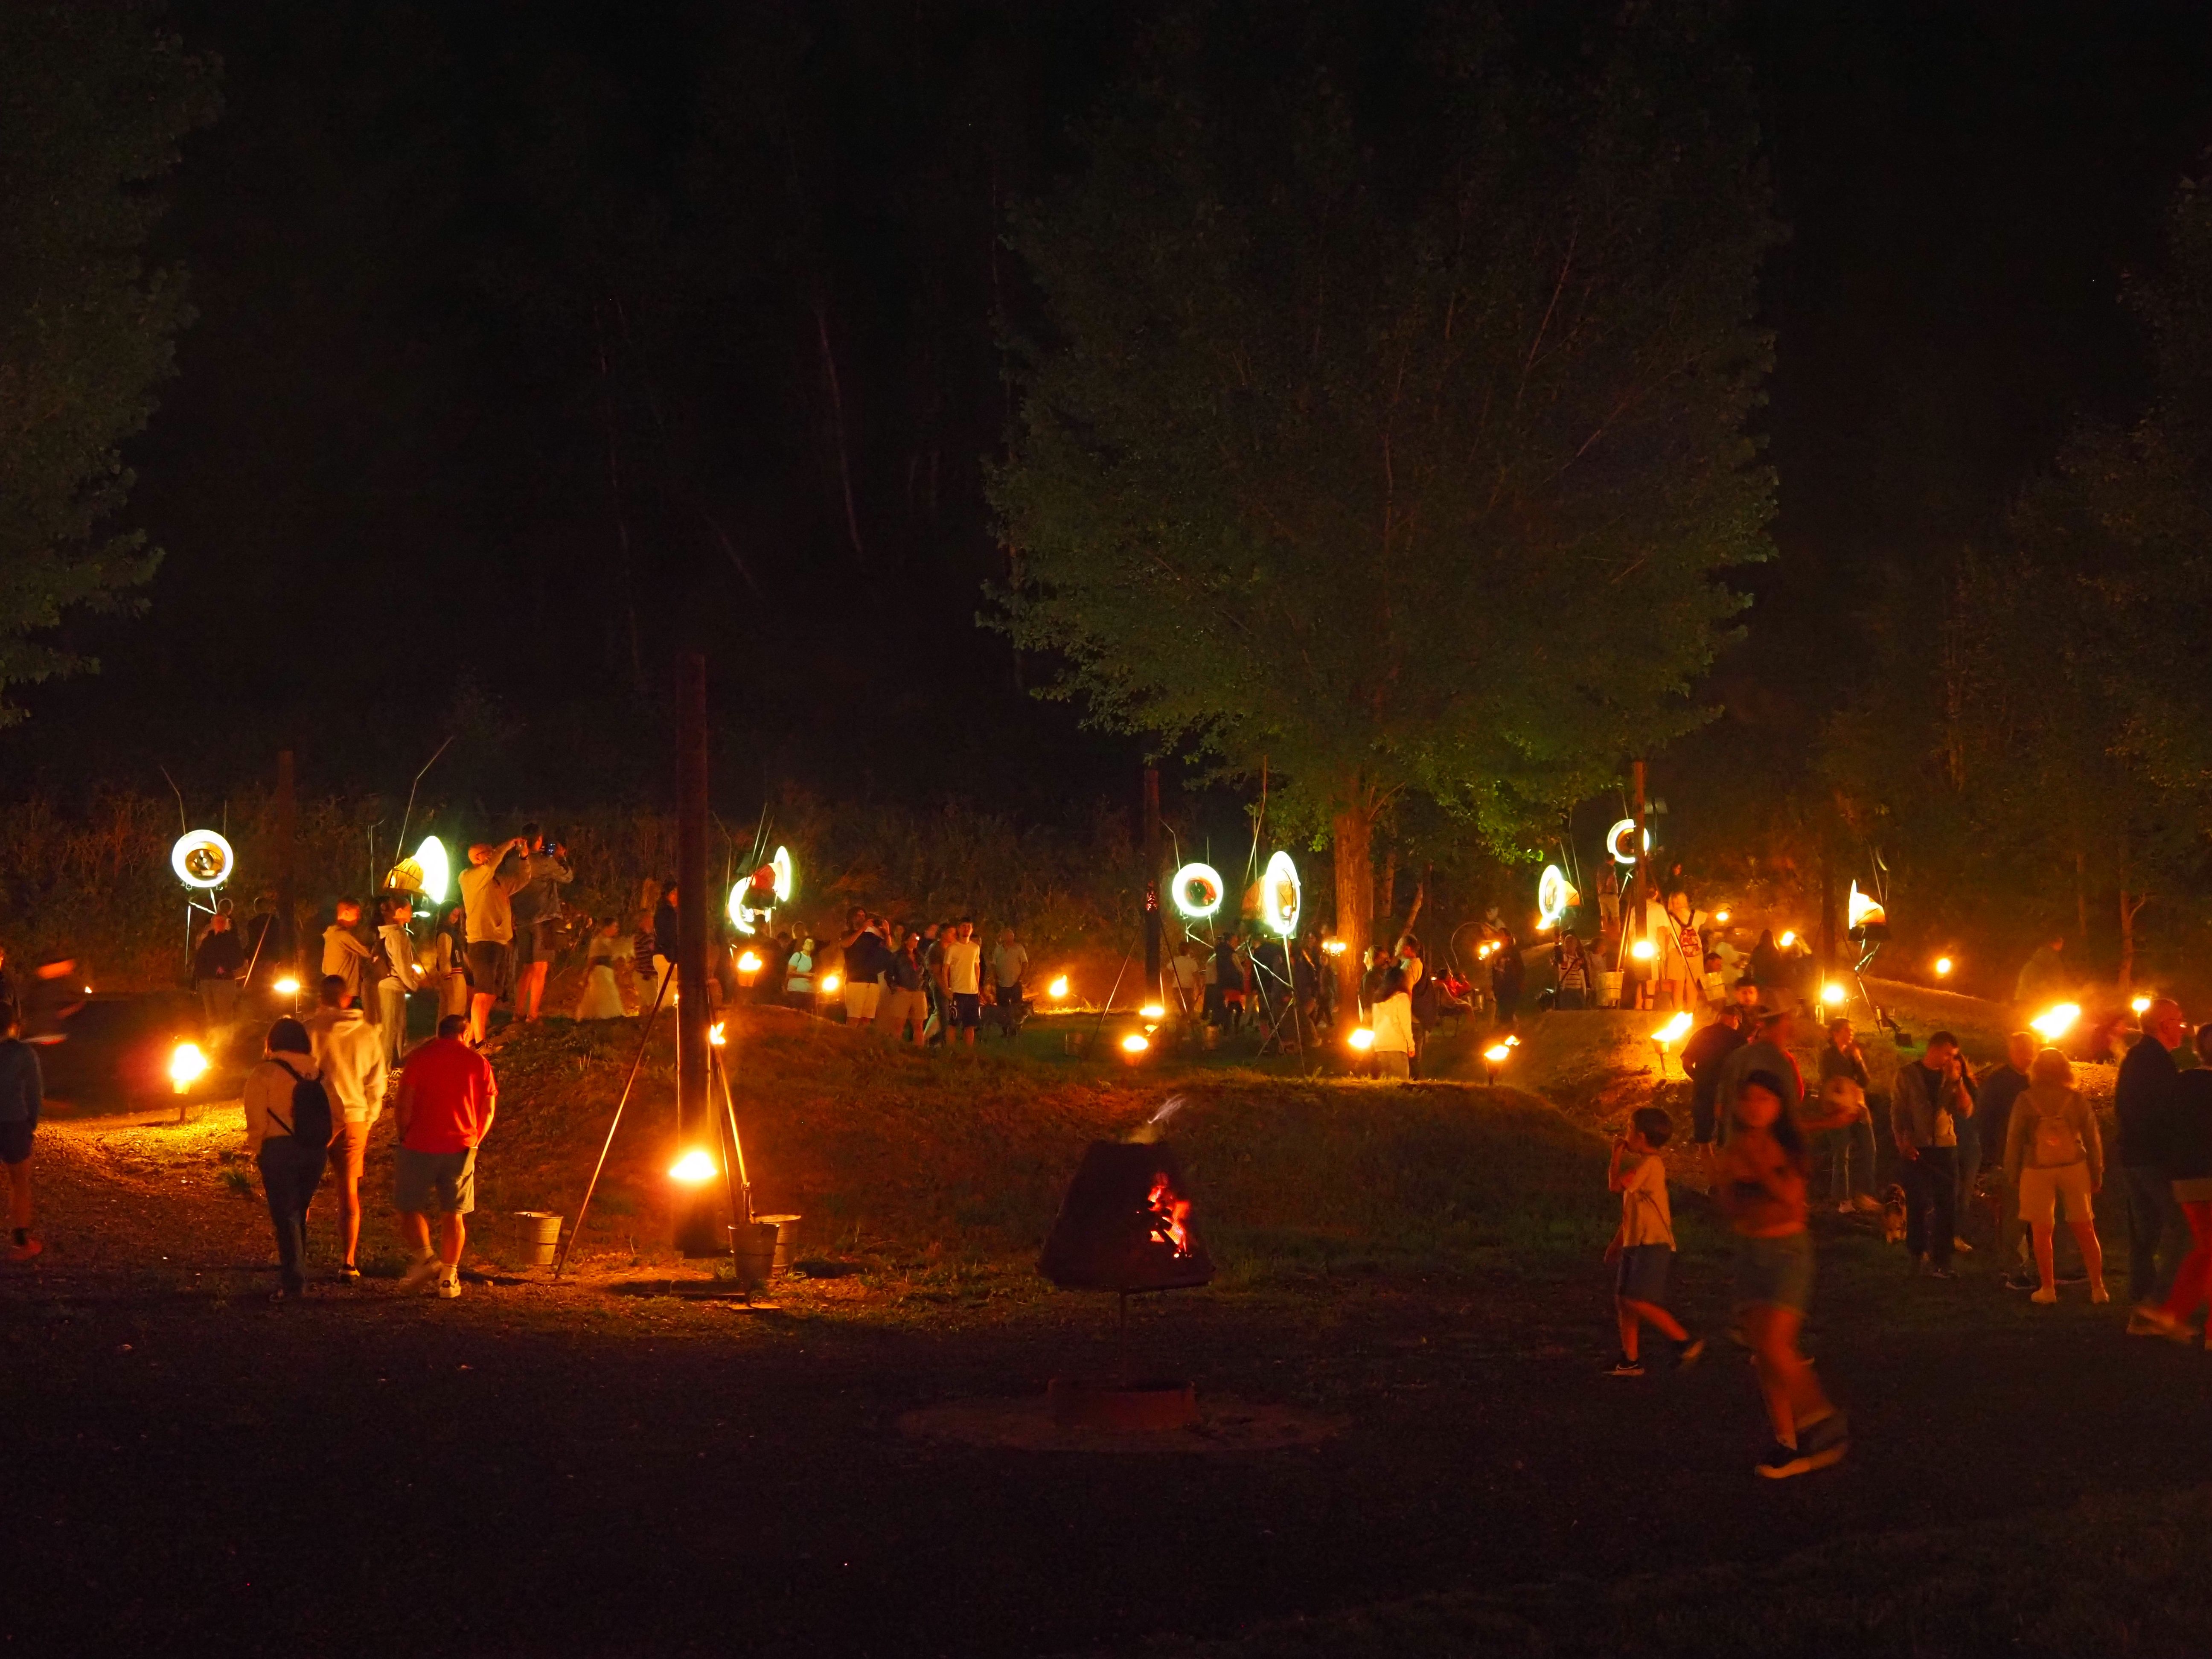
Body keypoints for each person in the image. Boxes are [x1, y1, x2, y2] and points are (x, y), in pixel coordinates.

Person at [1718, 1070, 1855, 1479]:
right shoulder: (1735, 1147)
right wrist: (1726, 1179)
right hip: (1749, 1253)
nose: (1754, 1107)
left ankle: (1823, 1421)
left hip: (1786, 1254)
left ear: (1779, 1105)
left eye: (1764, 1098)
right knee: (1764, 1355)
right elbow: (1730, 1209)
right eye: (1747, 1098)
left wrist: (1760, 1168)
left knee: (1777, 1346)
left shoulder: (1788, 1146)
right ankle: (1787, 1443)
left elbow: (1792, 1201)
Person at [393, 1014, 496, 1298]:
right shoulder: (479, 1063)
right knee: (454, 1213)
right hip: (461, 1146)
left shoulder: (419, 1059)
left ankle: (427, 1259)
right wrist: (476, 1139)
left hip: (419, 1143)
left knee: (408, 1207)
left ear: (440, 1033)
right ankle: (449, 1277)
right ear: (465, 1034)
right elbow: (488, 1109)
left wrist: (403, 1134)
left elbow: (404, 1104)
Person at [2003, 1045, 2108, 1305]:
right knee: (2086, 1228)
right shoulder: (2076, 1099)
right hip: (2074, 1166)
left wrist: (2012, 1172)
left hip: (2036, 1168)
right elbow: (2093, 1139)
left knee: (2041, 1231)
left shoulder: (2025, 1099)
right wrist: (2097, 1172)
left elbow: (2014, 1138)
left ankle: (2048, 1289)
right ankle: (2098, 1289)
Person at [1604, 1106, 1703, 1376]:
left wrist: (1616, 1156)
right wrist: (1617, 1244)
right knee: (1623, 1300)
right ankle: (1630, 1360)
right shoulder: (1644, 1166)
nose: (1625, 1135)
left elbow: (1615, 1186)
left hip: (1653, 1243)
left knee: (1637, 1300)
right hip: (1635, 1243)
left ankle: (1684, 1341)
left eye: (1629, 1129)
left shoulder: (1651, 1165)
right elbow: (1633, 1213)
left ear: (1641, 1137)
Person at [306, 974, 387, 1283]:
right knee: (349, 1191)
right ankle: (349, 1262)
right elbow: (376, 1082)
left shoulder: (310, 1030)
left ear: (320, 998)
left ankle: (296, 1255)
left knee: (303, 1189)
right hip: (355, 1116)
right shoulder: (367, 1034)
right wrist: (368, 1116)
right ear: (347, 998)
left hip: (316, 1116)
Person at [241, 1017, 329, 1301]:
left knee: (286, 1215)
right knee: (299, 1211)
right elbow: (338, 1114)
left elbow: (256, 1118)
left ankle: (294, 1283)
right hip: (314, 1151)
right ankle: (298, 1270)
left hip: (278, 1149)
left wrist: (257, 1148)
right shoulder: (319, 1074)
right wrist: (322, 1142)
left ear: (272, 1042)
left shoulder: (264, 1073)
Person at [2118, 997, 2189, 1324]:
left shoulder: (2137, 1057)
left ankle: (2140, 1296)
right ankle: (2158, 1301)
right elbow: (2165, 1114)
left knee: (2146, 1231)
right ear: (2164, 1025)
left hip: (2134, 1156)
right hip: (2153, 1159)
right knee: (2183, 1228)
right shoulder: (2156, 1062)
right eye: (2178, 1021)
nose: (2182, 1028)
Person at [1890, 1030, 1973, 1278]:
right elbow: (1899, 1110)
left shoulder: (1951, 1077)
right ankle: (1917, 1254)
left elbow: (1966, 1110)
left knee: (1947, 1204)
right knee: (1917, 1203)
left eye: (1954, 1056)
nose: (1951, 1059)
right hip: (1918, 1147)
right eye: (1948, 1054)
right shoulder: (1908, 1074)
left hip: (1946, 1146)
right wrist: (1903, 1142)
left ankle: (1942, 1261)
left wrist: (1958, 1082)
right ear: (1934, 1049)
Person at [2151, 1023, 2212, 1342]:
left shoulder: (2182, 1083)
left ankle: (2176, 1315)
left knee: (2207, 1249)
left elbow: (2165, 1126)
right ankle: (2173, 1313)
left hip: (2187, 1177)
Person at [1978, 1032, 2040, 1289]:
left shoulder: (2038, 1080)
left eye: (2031, 1049)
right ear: (2012, 1052)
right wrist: (1991, 1158)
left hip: (2039, 1158)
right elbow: (1985, 1122)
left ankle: (2044, 1265)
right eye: (2022, 1050)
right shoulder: (1998, 1083)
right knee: (2015, 1216)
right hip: (2010, 1157)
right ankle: (2015, 1269)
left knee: (2039, 1215)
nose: (2028, 1055)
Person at [459, 836, 532, 1044]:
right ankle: (480, 1041)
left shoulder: (497, 881)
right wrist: (507, 845)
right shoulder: (469, 877)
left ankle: (471, 1036)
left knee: (492, 993)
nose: (493, 854)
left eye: (493, 851)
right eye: (489, 852)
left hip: (500, 941)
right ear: (477, 858)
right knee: (483, 993)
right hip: (482, 941)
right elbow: (491, 865)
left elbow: (522, 879)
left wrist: (524, 857)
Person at [508, 827, 574, 1023]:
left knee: (526, 968)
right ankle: (533, 1015)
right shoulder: (545, 862)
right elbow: (568, 877)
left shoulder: (513, 862)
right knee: (540, 968)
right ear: (538, 840)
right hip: (543, 920)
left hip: (522, 921)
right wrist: (561, 857)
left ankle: (518, 1012)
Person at [1816, 1019, 1882, 1215]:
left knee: (1869, 1150)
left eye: (1852, 1030)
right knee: (1841, 1154)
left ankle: (1865, 1195)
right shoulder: (1828, 1055)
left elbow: (1865, 1081)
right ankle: (1842, 1199)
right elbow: (1831, 1080)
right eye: (1847, 1030)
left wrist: (1859, 1060)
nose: (1851, 1033)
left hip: (1859, 1107)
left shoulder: (1854, 1054)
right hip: (1838, 1108)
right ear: (1835, 1033)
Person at [1716, 1009, 1803, 1139]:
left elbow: (1720, 1108)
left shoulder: (1738, 1057)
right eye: (1788, 1019)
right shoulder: (1782, 1061)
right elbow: (1794, 1105)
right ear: (1781, 1022)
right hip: (1765, 1144)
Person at [0, 1002, 41, 1261]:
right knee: (19, 1182)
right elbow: (35, 1092)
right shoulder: (23, 1053)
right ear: (13, 1024)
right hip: (14, 1122)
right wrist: (31, 1122)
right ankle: (21, 1241)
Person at [1683, 1004, 1747, 1167]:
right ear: (1735, 1019)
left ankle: (1713, 1177)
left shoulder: (1701, 1034)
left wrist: (1700, 1079)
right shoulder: (1739, 1039)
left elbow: (1687, 1064)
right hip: (1729, 1095)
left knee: (1704, 1141)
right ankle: (1727, 1175)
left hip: (1703, 1093)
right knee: (1728, 1141)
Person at [373, 896, 425, 1070]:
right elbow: (402, 965)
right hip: (393, 985)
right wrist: (414, 985)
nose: (412, 913)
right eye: (409, 910)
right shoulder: (397, 935)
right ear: (400, 912)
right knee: (392, 1029)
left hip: (388, 984)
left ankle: (393, 1063)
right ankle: (385, 1069)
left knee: (395, 1027)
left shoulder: (388, 933)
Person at [192, 908, 245, 1036]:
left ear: (227, 924)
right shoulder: (207, 941)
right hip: (207, 980)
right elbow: (199, 960)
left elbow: (239, 960)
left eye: (222, 921)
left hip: (224, 981)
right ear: (213, 923)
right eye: (217, 921)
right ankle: (214, 1040)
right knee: (211, 1014)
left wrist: (225, 968)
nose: (220, 924)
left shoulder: (232, 940)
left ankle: (226, 1039)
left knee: (224, 1013)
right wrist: (197, 978)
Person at [320, 899, 373, 1004]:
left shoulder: (332, 935)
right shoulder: (343, 936)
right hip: (346, 991)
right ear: (346, 913)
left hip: (336, 990)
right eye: (357, 913)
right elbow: (368, 952)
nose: (359, 918)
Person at [576, 917, 627, 1019]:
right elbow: (592, 960)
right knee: (606, 995)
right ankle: (607, 1016)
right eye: (615, 927)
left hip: (607, 972)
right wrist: (587, 976)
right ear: (607, 928)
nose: (617, 929)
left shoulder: (609, 942)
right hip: (600, 973)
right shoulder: (598, 941)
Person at [879, 931, 926, 1043]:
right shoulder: (897, 956)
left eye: (917, 938)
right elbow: (888, 975)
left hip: (918, 992)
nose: (916, 941)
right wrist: (895, 987)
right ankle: (896, 1048)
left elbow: (925, 973)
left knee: (919, 1025)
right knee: (899, 1025)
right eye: (913, 938)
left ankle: (919, 1049)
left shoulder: (920, 957)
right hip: (903, 992)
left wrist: (924, 988)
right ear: (906, 941)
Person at [943, 918, 982, 1048]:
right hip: (957, 992)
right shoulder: (952, 948)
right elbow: (945, 969)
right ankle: (951, 1050)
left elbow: (977, 967)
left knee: (970, 1025)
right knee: (953, 1023)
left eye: (969, 927)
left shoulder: (975, 948)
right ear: (959, 929)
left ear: (972, 930)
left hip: (972, 992)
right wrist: (947, 989)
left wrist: (977, 987)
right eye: (964, 926)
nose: (966, 929)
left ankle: (968, 1052)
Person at [1369, 965, 1414, 1079]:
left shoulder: (1378, 998)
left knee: (1384, 1084)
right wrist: (1411, 1045)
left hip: (1379, 1045)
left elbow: (1375, 1023)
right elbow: (1405, 1024)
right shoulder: (1402, 998)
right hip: (1396, 1045)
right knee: (1400, 1083)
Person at [431, 903, 472, 1022]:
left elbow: (461, 955)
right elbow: (444, 955)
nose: (455, 918)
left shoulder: (453, 933)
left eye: (457, 916)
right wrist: (446, 975)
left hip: (456, 974)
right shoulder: (445, 933)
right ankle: (451, 1032)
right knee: (455, 1010)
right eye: (453, 915)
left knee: (450, 1009)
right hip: (453, 975)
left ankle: (444, 1032)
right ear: (446, 914)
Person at [2013, 935, 2072, 1009]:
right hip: (2037, 995)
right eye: (2061, 942)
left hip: (2024, 994)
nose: (2062, 945)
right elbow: (2057, 979)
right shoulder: (2052, 957)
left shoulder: (2040, 954)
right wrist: (2063, 996)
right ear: (2058, 943)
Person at [1489, 928, 1524, 1029]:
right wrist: (1493, 987)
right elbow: (1494, 970)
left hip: (1511, 986)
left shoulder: (1513, 951)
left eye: (1502, 935)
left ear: (1508, 938)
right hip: (1500, 988)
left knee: (1509, 1010)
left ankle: (1511, 1030)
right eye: (1499, 935)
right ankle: (1505, 1031)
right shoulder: (1496, 953)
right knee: (1502, 1011)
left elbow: (1521, 968)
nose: (1500, 937)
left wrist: (1521, 983)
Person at [1554, 931, 1590, 1010]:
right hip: (1567, 991)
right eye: (1567, 942)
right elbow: (1558, 958)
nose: (1570, 945)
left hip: (1579, 991)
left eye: (1572, 942)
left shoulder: (1581, 960)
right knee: (1566, 1013)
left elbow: (1586, 975)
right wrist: (1556, 945)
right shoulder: (1564, 958)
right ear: (1565, 944)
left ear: (1576, 945)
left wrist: (1588, 988)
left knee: (1579, 1014)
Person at [784, 936, 815, 1010]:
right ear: (803, 946)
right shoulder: (798, 956)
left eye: (812, 943)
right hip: (796, 992)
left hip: (810, 993)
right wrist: (805, 975)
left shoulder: (814, 959)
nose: (809, 944)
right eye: (807, 943)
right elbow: (790, 973)